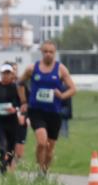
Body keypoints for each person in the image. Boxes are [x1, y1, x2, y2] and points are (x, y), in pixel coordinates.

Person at [18, 41, 77, 175]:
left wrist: (62, 96)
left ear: (54, 53)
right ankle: (39, 170)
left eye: (51, 52)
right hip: (36, 111)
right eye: (46, 52)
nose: (48, 54)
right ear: (41, 52)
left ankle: (44, 171)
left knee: (50, 149)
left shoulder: (61, 69)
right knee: (42, 142)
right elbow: (20, 83)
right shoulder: (32, 68)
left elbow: (73, 89)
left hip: (54, 113)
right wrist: (23, 101)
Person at [0, 63, 23, 175]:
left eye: (8, 73)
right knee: (2, 147)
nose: (6, 75)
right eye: (4, 73)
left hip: (12, 121)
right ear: (0, 74)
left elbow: (20, 102)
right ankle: (3, 172)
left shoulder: (15, 87)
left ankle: (8, 164)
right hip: (0, 122)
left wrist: (16, 109)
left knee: (11, 148)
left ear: (12, 74)